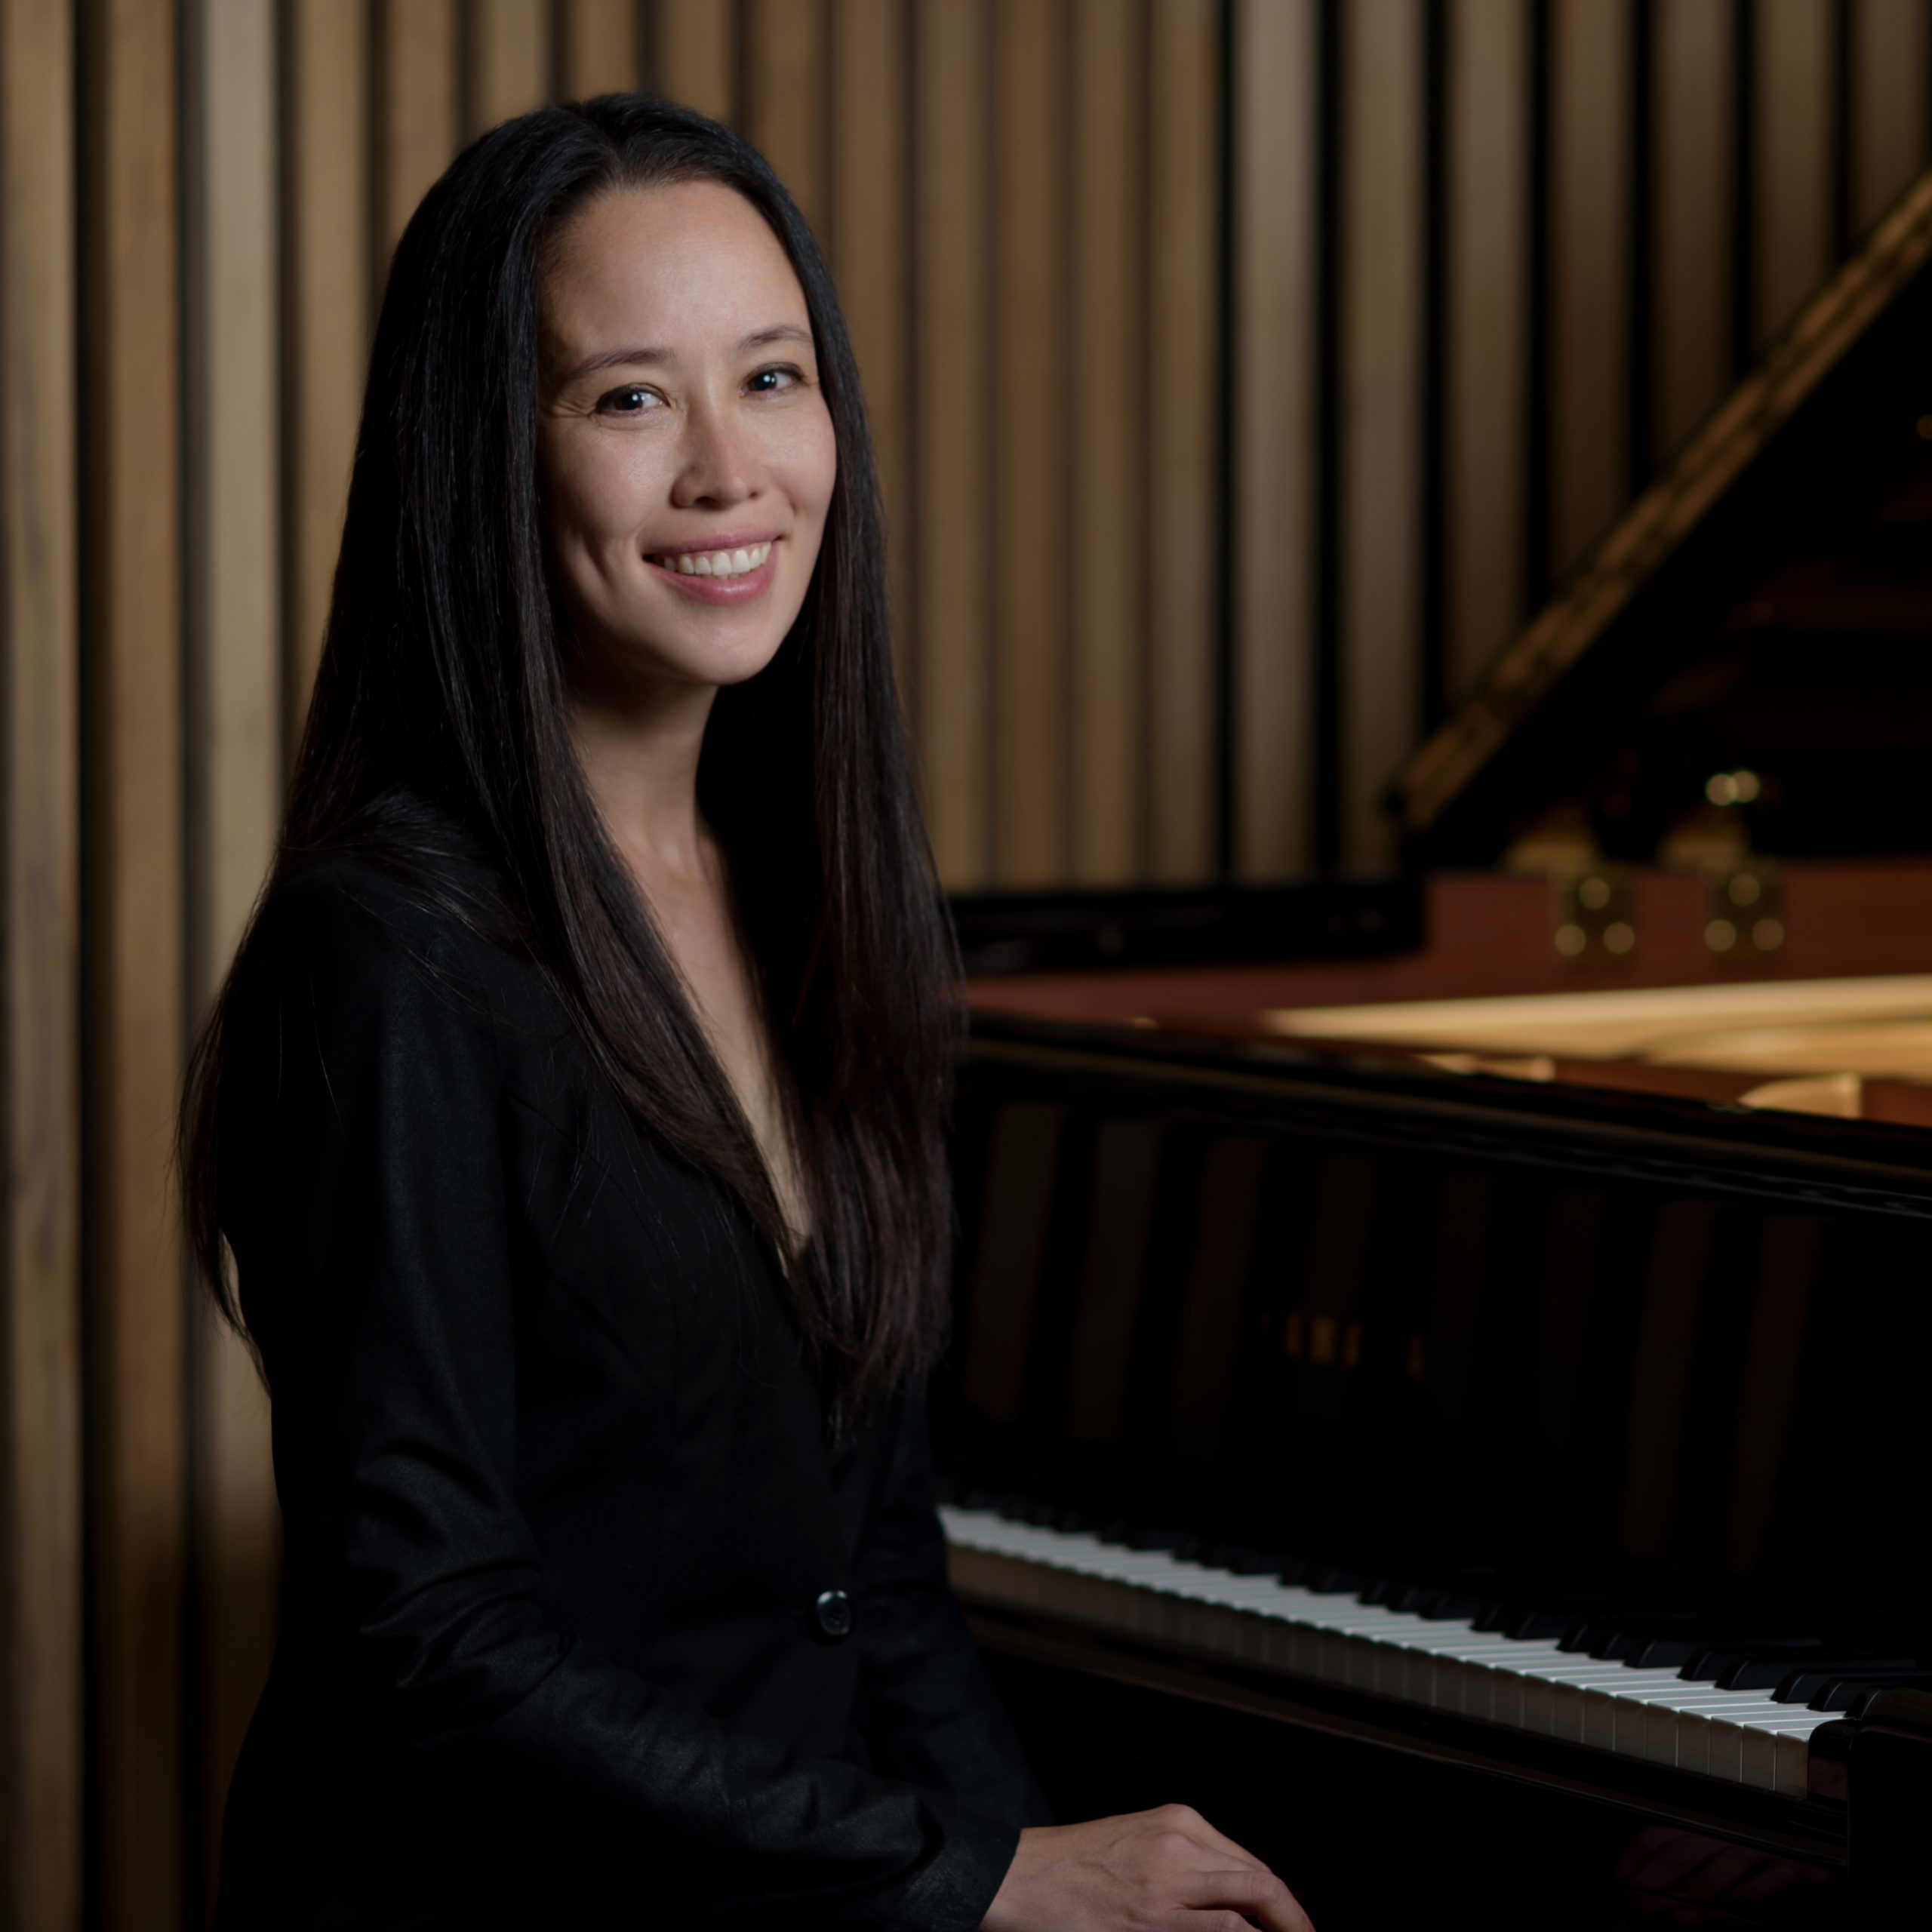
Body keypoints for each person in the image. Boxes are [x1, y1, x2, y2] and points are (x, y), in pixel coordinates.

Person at [180, 93, 1312, 1931]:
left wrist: (1058, 1883)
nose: (731, 470)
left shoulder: (814, 907)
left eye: (771, 377)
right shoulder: (379, 958)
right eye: (629, 397)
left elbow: (880, 1573)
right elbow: (432, 1639)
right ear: (488, 456)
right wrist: (974, 1883)